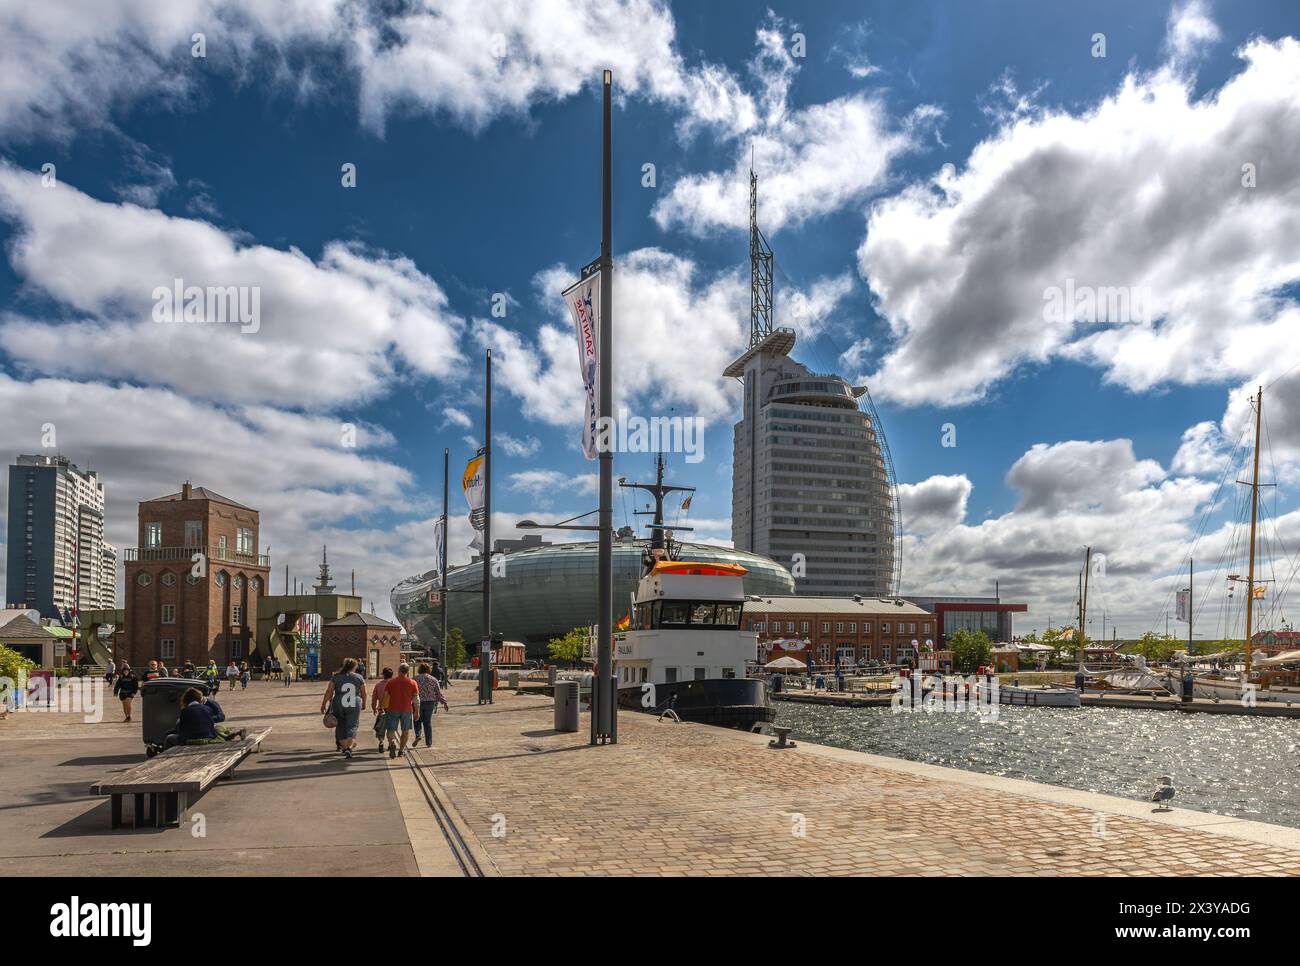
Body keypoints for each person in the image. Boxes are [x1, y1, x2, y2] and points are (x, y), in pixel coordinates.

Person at [321, 657, 366, 758]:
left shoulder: (336, 677)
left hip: (339, 703)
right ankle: (349, 748)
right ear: (354, 667)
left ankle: (345, 748)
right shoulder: (359, 677)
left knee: (340, 725)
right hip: (354, 702)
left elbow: (329, 691)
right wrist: (364, 703)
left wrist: (323, 703)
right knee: (352, 725)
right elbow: (364, 692)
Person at [382, 664, 420, 758]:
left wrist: (382, 707)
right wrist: (417, 711)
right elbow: (416, 699)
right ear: (407, 671)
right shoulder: (412, 682)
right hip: (407, 709)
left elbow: (386, 695)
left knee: (391, 730)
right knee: (405, 731)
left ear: (399, 670)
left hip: (392, 709)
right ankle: (401, 750)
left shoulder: (391, 682)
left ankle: (392, 743)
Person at [412, 663, 450, 747]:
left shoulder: (414, 679)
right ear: (429, 669)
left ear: (419, 669)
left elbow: (410, 691)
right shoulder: (433, 679)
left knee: (416, 720)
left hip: (417, 702)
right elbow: (438, 693)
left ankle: (418, 735)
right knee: (427, 722)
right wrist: (444, 703)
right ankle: (429, 742)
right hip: (430, 702)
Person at [371, 667, 394, 752]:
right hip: (393, 709)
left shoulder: (378, 685)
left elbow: (374, 698)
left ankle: (381, 742)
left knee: (380, 727)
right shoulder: (394, 684)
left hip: (382, 709)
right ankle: (391, 743)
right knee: (391, 728)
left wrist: (374, 708)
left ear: (383, 675)